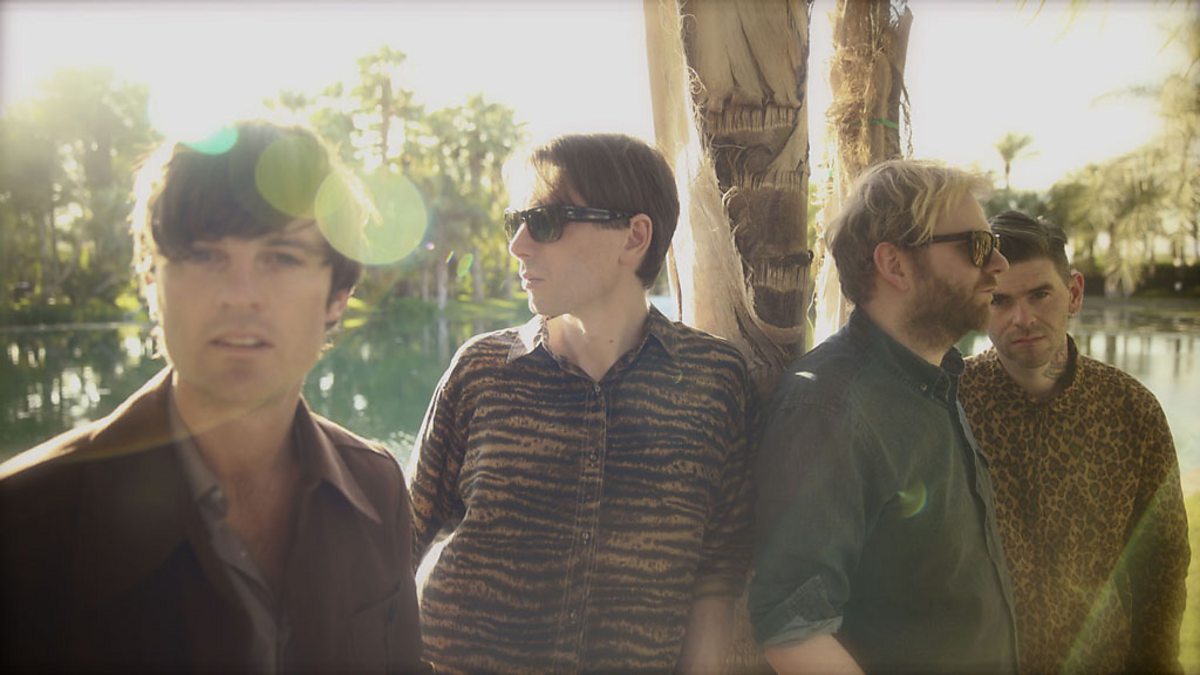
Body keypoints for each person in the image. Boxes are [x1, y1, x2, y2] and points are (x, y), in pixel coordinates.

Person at [0, 119, 427, 673]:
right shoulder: (25, 520)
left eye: (281, 257)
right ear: (151, 282)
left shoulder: (376, 485)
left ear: (337, 295)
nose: (240, 296)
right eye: (204, 255)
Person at [406, 132, 756, 672]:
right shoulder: (482, 370)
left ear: (634, 237)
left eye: (545, 221)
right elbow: (403, 536)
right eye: (514, 221)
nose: (518, 244)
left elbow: (717, 570)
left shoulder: (713, 381)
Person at [748, 159, 1020, 673]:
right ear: (895, 265)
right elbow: (793, 628)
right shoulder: (829, 408)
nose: (1000, 263)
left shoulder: (934, 379)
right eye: (978, 246)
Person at [960, 210, 1190, 674]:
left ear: (1075, 293)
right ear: (980, 305)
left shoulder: (1130, 409)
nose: (1023, 318)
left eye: (1040, 294)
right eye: (1000, 300)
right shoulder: (952, 405)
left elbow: (1162, 563)